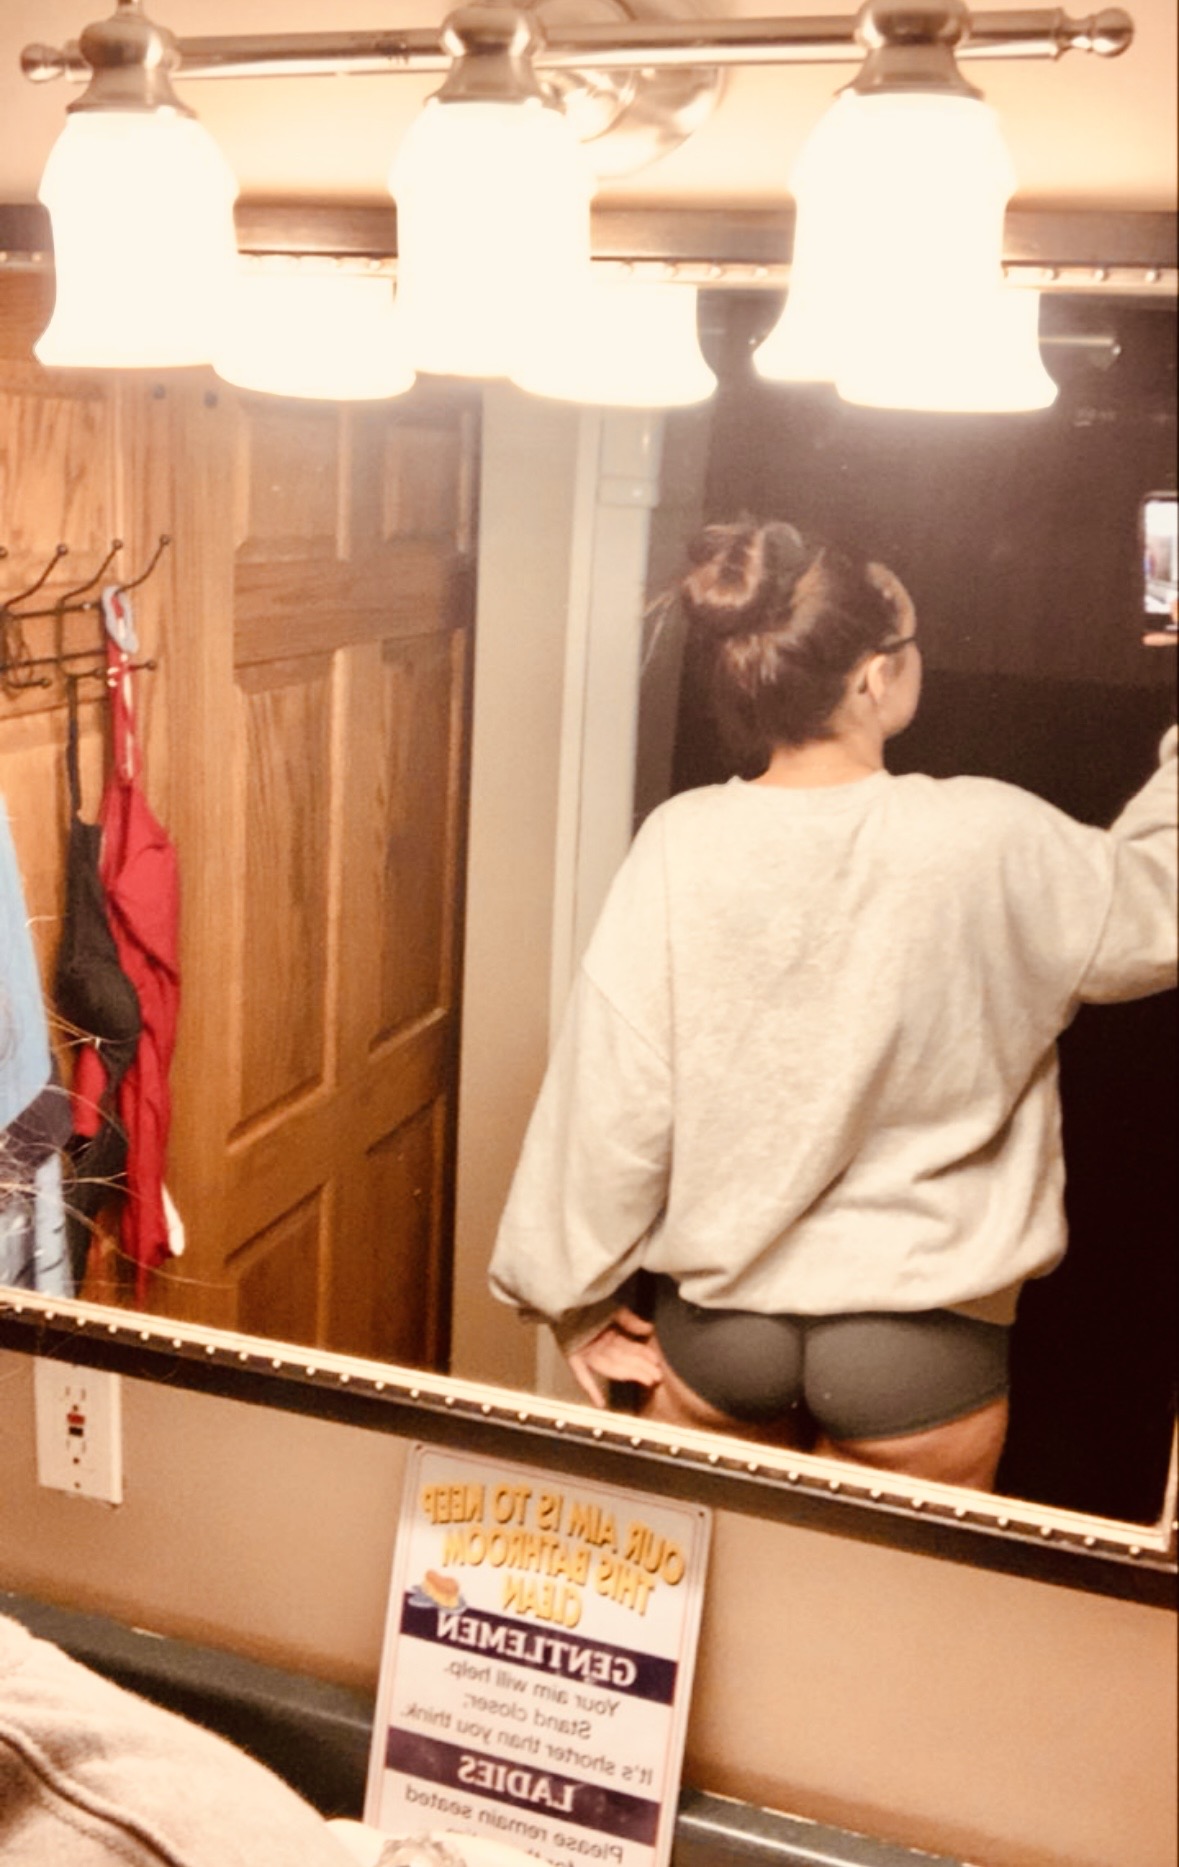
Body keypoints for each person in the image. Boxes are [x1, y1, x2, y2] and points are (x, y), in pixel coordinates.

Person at [488, 520, 1178, 1491]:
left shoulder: (680, 842)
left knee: (717, 1588)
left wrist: (571, 1301)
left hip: (718, 1337)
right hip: (920, 1349)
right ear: (872, 678)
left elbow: (612, 1093)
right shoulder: (987, 834)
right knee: (881, 1597)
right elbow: (1161, 903)